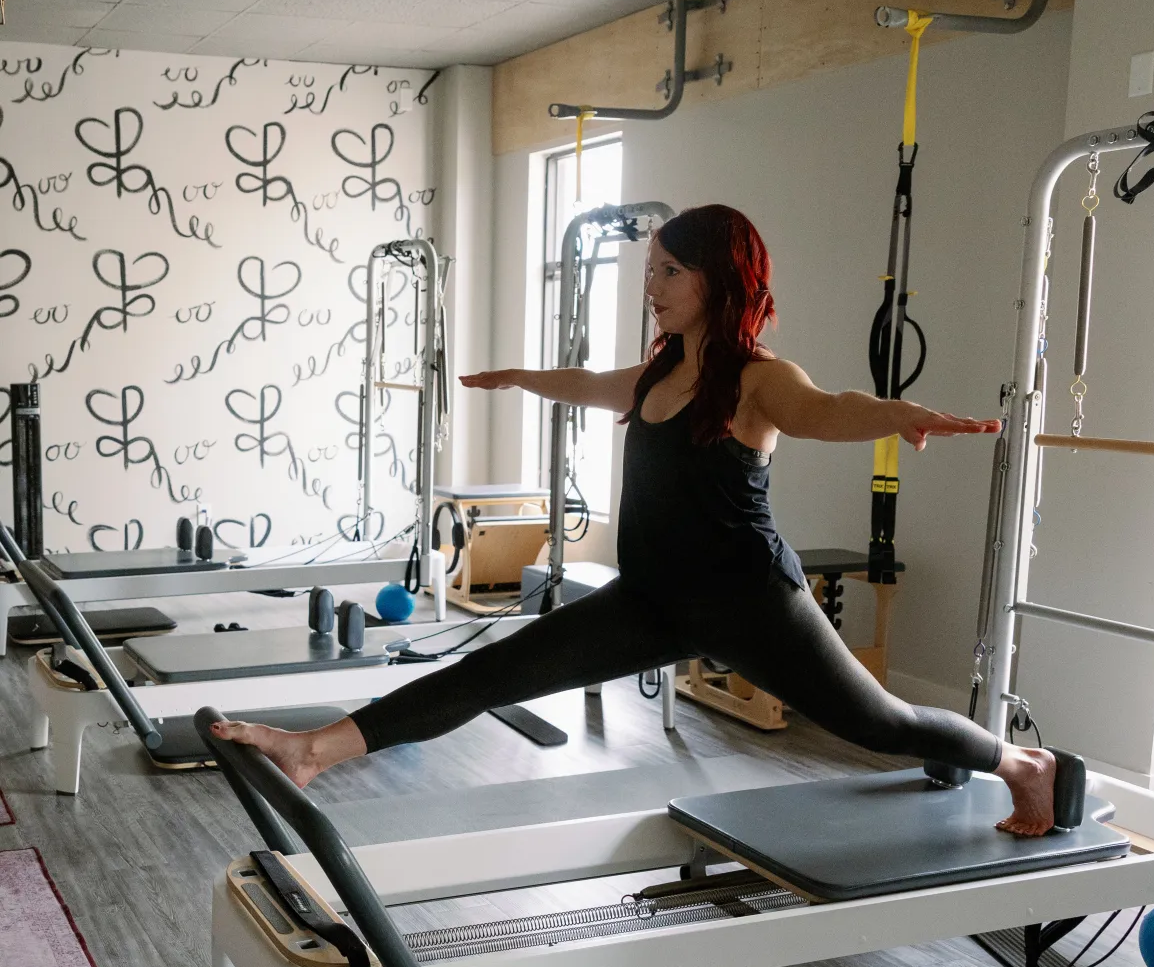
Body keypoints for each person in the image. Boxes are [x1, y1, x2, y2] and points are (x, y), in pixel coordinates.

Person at [212, 204, 1071, 836]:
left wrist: (897, 413)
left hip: (751, 604)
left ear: (718, 279)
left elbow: (825, 409)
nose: (651, 288)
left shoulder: (758, 377)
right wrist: (519, 377)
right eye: (649, 271)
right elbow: (589, 384)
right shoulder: (658, 374)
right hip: (652, 601)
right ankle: (312, 751)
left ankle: (1021, 762)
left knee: (880, 723)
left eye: (668, 272)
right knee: (489, 672)